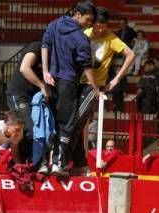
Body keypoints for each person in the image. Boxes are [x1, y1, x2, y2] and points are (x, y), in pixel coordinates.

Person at [67, 7, 134, 176]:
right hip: (76, 82)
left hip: (94, 86)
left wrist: (116, 79)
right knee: (75, 123)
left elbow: (131, 55)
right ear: (93, 23)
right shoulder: (86, 33)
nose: (101, 29)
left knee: (77, 122)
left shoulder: (111, 38)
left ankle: (73, 161)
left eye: (104, 25)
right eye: (98, 25)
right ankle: (77, 162)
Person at [41, 1, 99, 175]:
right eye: (88, 20)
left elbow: (45, 45)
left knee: (51, 123)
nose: (89, 24)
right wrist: (95, 88)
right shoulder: (81, 38)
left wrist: (45, 71)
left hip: (51, 81)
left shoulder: (54, 24)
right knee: (67, 124)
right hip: (68, 83)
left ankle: (45, 163)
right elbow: (87, 66)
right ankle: (58, 163)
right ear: (78, 14)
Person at [6, 41, 47, 165]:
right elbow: (25, 68)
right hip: (19, 94)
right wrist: (42, 86)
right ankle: (18, 164)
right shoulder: (37, 46)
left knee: (35, 131)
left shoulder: (53, 56)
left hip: (33, 99)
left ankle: (24, 163)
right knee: (28, 129)